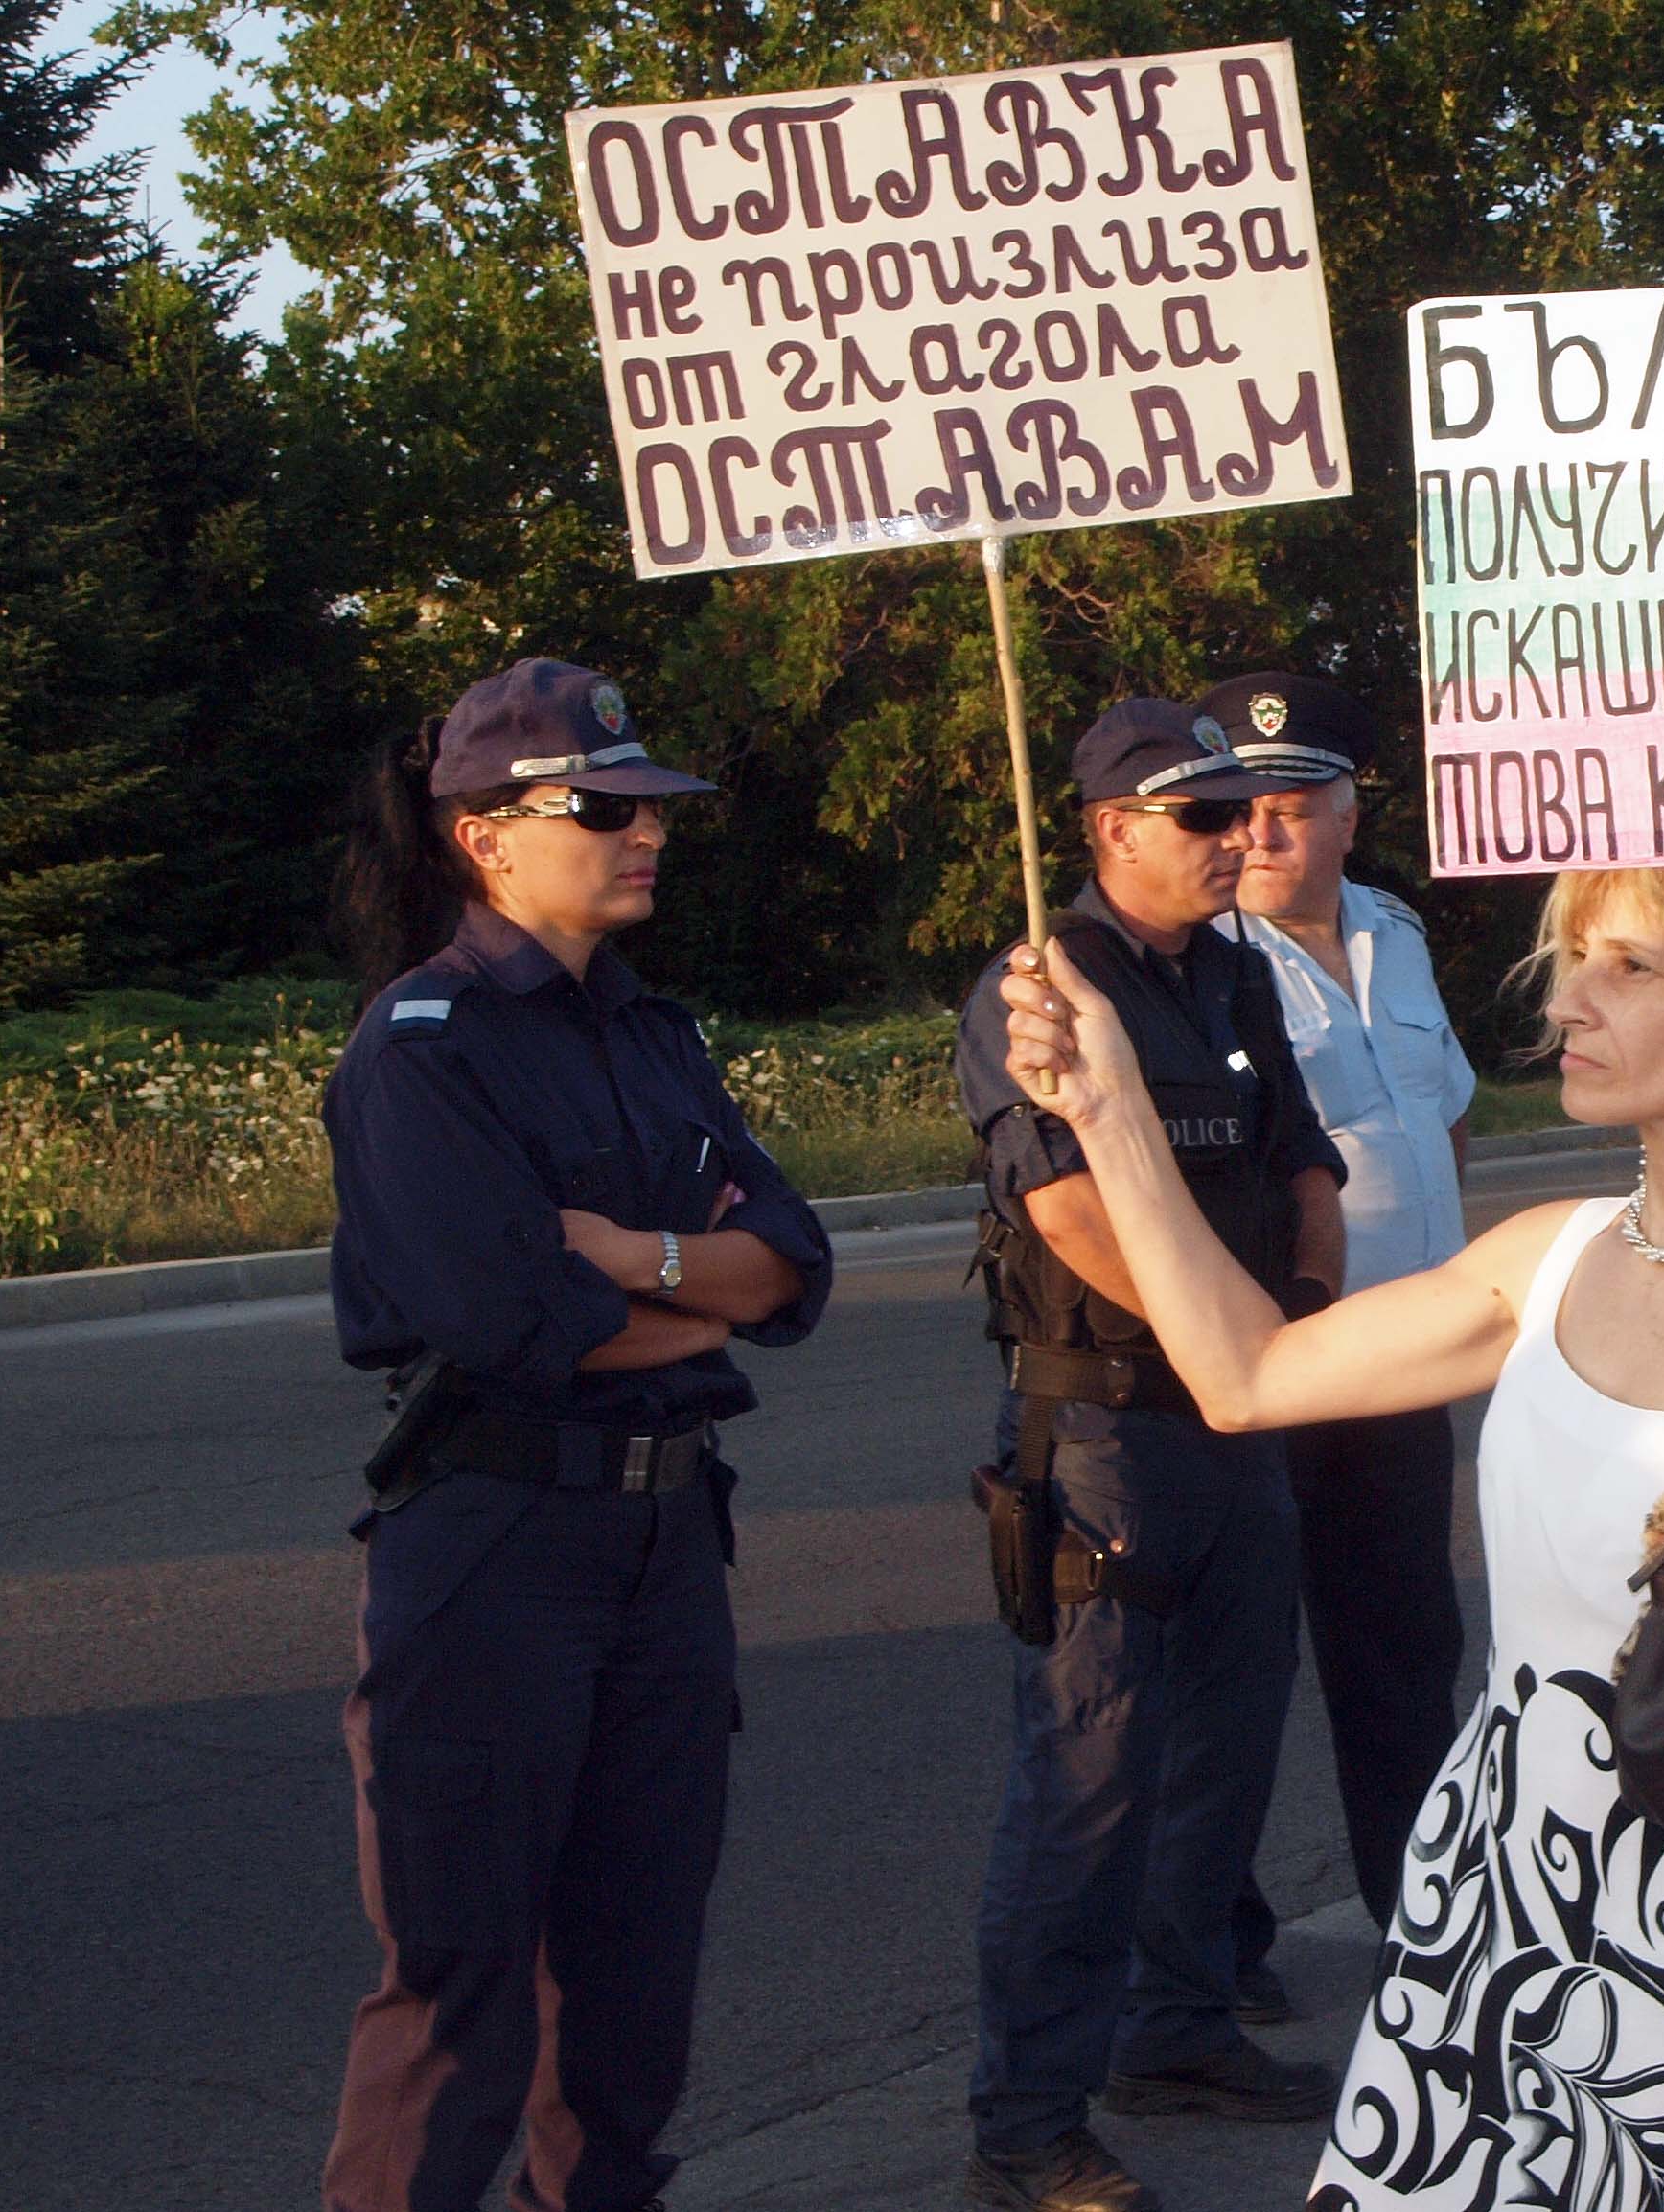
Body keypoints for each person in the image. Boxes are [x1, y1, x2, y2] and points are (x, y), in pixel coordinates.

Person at [994, 859, 1664, 2212]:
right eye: (1574, 958)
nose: (1570, 998)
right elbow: (1246, 1377)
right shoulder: (1545, 1254)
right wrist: (1106, 1110)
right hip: (1471, 1905)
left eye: (1629, 966)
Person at [318, 658, 834, 2212]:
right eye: (599, 808)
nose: (643, 834)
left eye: (649, 806)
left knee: (628, 1984)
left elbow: (796, 1265)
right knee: (460, 1992)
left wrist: (640, 1259)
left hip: (665, 1544)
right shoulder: (423, 1045)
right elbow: (514, 1322)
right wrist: (699, 1288)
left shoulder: (653, 1034)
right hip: (494, 1544)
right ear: (483, 836)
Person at [957, 698, 1351, 2212]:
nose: (1240, 836)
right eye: (1203, 816)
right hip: (1113, 1429)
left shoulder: (1239, 975)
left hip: (1247, 1415)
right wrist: (1222, 1343)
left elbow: (1304, 1164)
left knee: (1225, 1750)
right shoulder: (1042, 992)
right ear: (1112, 830)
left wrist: (1297, 1331)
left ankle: (1178, 2029)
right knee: (1089, 1778)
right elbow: (1068, 1212)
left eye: (1248, 810)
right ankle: (1024, 2120)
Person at [1200, 673, 1476, 2008]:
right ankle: (1215, 1948)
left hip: (1405, 1364)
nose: (1261, 830)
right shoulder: (1196, 966)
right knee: (1236, 1670)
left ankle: (1420, 1917)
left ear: (1348, 810)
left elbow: (1450, 1113)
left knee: (1404, 1653)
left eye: (1293, 802)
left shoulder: (1396, 933)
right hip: (1271, 1369)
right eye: (1241, 805)